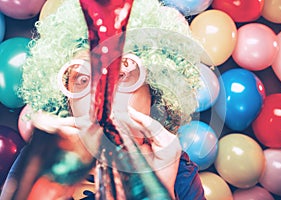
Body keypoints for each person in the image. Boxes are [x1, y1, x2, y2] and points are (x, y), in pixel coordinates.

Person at [1, 0, 206, 199]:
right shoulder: (41, 165)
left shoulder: (177, 170)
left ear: (154, 92)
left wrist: (162, 186)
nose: (101, 96)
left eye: (122, 74)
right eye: (82, 79)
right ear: (68, 103)